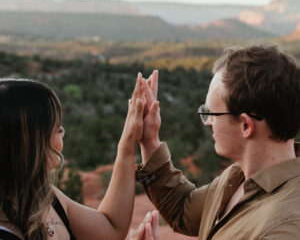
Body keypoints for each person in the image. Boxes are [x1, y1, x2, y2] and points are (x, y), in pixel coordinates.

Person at [135, 44, 300, 239]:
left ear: (245, 125)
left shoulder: (286, 226)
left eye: (211, 113)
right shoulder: (237, 178)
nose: (208, 122)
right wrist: (149, 140)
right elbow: (183, 209)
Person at [0, 73, 145, 240]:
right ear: (26, 142)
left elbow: (110, 228)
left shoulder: (44, 196)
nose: (62, 131)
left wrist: (128, 143)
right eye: (54, 127)